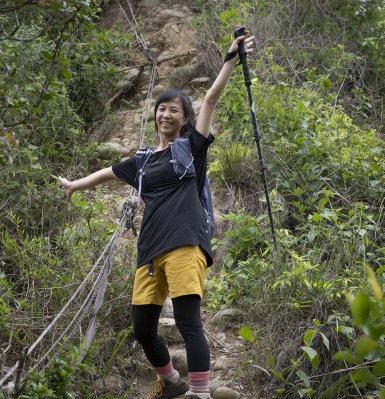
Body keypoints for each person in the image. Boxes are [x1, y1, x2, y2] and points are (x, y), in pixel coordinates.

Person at [58, 32, 255, 399]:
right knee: (143, 327)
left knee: (188, 322)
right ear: (156, 115)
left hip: (184, 243)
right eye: (162, 108)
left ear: (184, 120)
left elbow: (211, 98)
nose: (166, 113)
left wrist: (231, 58)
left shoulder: (192, 149)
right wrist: (74, 185)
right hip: (149, 251)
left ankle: (200, 393)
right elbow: (107, 174)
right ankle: (172, 383)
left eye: (174, 110)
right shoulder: (144, 161)